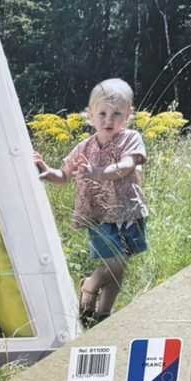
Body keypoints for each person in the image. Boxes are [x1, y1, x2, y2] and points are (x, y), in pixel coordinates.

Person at [35, 77, 148, 325]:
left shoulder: (131, 138)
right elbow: (63, 176)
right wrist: (47, 170)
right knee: (114, 263)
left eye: (116, 114)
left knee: (120, 265)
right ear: (90, 116)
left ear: (128, 115)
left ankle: (103, 313)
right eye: (102, 114)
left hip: (129, 211)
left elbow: (126, 166)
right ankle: (90, 285)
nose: (109, 120)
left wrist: (96, 172)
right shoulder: (84, 147)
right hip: (98, 214)